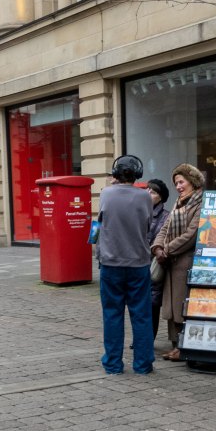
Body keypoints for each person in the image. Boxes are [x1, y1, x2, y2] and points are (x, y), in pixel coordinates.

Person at [96, 155, 154, 375]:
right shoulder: (145, 196)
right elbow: (148, 226)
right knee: (141, 315)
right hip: (138, 262)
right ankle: (143, 364)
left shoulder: (106, 193)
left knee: (112, 314)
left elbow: (101, 223)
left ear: (115, 173)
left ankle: (113, 364)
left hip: (111, 262)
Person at [151, 163, 205, 362]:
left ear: (192, 181)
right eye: (176, 183)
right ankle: (176, 345)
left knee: (183, 306)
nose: (178, 186)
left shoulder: (200, 204)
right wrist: (157, 247)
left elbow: (191, 235)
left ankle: (185, 346)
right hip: (170, 262)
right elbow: (164, 228)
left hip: (185, 263)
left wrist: (166, 250)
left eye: (181, 182)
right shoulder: (178, 204)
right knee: (172, 308)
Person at [146, 179, 170, 340]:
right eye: (147, 189)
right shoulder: (140, 211)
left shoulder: (166, 216)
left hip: (153, 264)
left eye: (153, 192)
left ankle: (149, 338)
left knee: (152, 304)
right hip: (138, 264)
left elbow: (160, 239)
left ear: (161, 197)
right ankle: (142, 337)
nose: (148, 193)